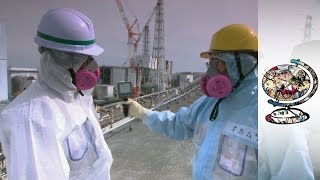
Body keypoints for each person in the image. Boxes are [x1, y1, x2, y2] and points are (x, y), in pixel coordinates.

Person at [124, 24, 258, 179]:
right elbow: (179, 124)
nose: (210, 73)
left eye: (218, 63)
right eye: (210, 63)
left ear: (245, 63)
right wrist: (144, 114)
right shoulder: (209, 102)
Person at [0, 8, 113, 179]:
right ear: (56, 56)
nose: (89, 65)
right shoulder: (31, 119)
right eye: (80, 57)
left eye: (89, 57)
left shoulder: (77, 97)